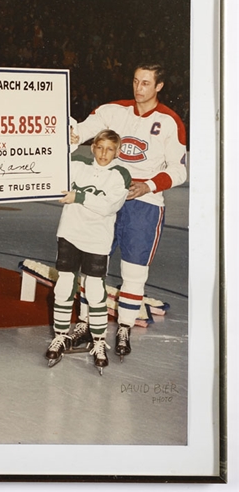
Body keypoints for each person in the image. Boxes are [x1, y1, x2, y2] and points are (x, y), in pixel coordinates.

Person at [70, 63, 188, 360]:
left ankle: (124, 326)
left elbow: (179, 170)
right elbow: (81, 131)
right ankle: (84, 322)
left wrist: (148, 185)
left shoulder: (170, 121)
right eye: (136, 81)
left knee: (134, 271)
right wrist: (69, 132)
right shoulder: (114, 111)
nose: (138, 88)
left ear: (159, 86)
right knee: (93, 263)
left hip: (144, 204)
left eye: (146, 83)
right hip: (106, 195)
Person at [46, 130, 131, 375]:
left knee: (94, 290)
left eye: (110, 149)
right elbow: (55, 165)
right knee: (64, 286)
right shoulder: (78, 164)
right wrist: (70, 145)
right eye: (100, 147)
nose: (104, 154)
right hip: (70, 234)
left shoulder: (120, 174)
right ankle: (60, 336)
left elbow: (109, 206)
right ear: (93, 147)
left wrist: (79, 196)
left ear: (117, 151)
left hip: (97, 240)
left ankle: (98, 342)